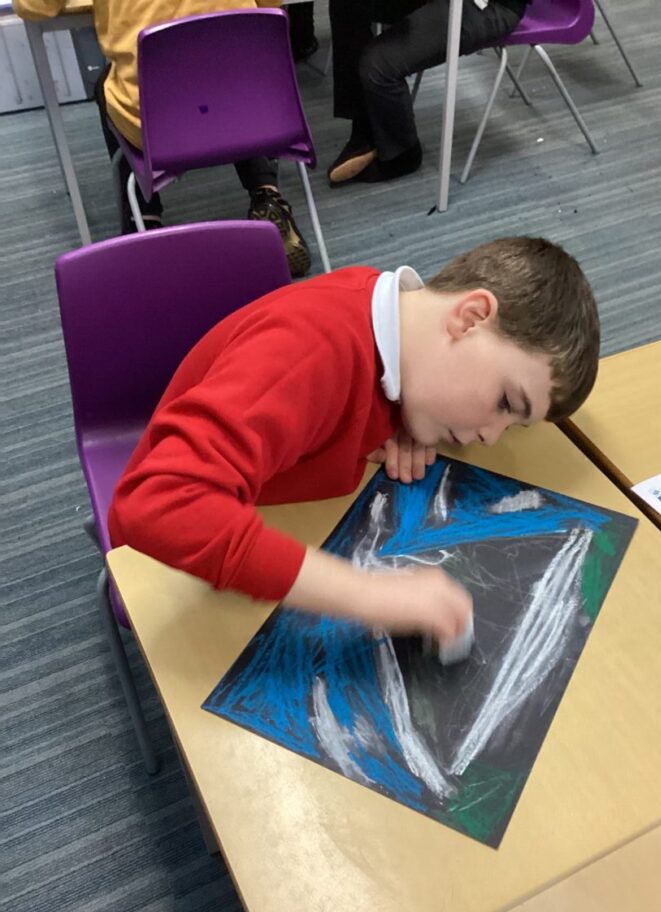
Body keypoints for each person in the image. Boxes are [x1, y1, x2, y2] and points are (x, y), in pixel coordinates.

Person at [109, 236, 600, 647]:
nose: (490, 437)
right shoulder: (312, 347)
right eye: (506, 402)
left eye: (512, 425)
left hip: (271, 512)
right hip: (177, 558)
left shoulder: (404, 337)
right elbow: (157, 505)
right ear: (469, 317)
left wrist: (403, 419)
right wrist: (371, 596)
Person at [14, 0, 312, 277]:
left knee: (111, 85)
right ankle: (267, 194)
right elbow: (269, 7)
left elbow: (33, 8)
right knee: (226, 72)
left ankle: (144, 220)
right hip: (253, 115)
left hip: (160, 125)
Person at [328, 0, 529, 186]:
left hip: (489, 6)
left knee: (377, 63)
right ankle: (366, 125)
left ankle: (402, 154)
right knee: (346, 4)